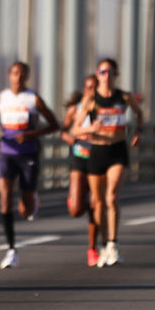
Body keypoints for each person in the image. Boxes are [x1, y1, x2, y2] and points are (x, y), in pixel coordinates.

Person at [0, 62, 59, 269]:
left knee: (25, 211)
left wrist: (32, 133)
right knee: (5, 197)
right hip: (7, 154)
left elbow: (54, 125)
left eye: (23, 74)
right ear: (9, 75)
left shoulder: (33, 98)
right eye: (15, 73)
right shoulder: (1, 98)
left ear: (27, 77)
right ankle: (11, 249)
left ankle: (32, 198)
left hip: (28, 155)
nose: (18, 77)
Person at [70, 58, 143, 267]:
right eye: (102, 72)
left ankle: (113, 243)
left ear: (116, 74)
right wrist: (90, 129)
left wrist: (138, 131)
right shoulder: (90, 99)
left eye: (110, 72)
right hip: (97, 152)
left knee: (111, 197)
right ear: (97, 74)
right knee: (98, 203)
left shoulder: (124, 97)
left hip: (118, 151)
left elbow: (139, 113)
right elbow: (75, 129)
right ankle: (103, 245)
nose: (106, 76)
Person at [61, 75, 100, 265]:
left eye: (95, 88)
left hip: (98, 159)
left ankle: (92, 249)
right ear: (84, 89)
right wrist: (70, 138)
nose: (91, 91)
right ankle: (76, 199)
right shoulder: (75, 110)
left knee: (94, 206)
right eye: (88, 87)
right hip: (80, 158)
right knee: (76, 210)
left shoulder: (103, 109)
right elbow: (63, 130)